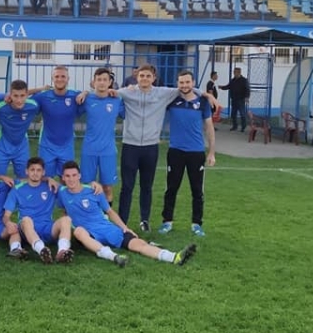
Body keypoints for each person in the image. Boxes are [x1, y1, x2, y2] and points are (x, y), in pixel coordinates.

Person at [79, 64, 218, 231]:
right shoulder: (126, 92)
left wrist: (206, 94)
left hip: (151, 147)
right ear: (136, 77)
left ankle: (144, 220)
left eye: (148, 76)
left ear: (154, 78)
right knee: (127, 187)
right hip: (130, 146)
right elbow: (104, 91)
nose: (144, 79)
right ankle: (122, 221)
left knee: (146, 186)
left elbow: (186, 88)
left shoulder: (163, 93)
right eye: (141, 76)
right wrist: (86, 92)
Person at [57, 161, 197, 268]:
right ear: (63, 177)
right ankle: (114, 257)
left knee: (138, 245)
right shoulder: (62, 192)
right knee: (79, 231)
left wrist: (125, 228)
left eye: (74, 175)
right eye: (67, 176)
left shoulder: (94, 191)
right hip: (89, 234)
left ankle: (174, 257)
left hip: (107, 229)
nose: (71, 179)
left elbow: (110, 211)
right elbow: (49, 186)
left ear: (79, 176)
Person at [160, 71, 216, 236]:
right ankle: (167, 222)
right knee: (171, 189)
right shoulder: (171, 100)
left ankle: (196, 224)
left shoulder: (203, 102)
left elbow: (209, 128)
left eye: (187, 82)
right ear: (177, 83)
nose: (184, 85)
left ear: (193, 83)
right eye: (181, 82)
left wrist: (211, 152)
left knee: (197, 191)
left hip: (196, 152)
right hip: (175, 151)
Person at [4, 157, 74, 264]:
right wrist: (8, 223)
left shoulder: (51, 186)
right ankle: (41, 250)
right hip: (27, 229)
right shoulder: (17, 189)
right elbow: (6, 215)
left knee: (66, 219)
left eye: (38, 170)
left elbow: (74, 190)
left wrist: (94, 184)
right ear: (26, 171)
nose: (35, 173)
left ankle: (62, 252)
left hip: (47, 228)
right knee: (26, 219)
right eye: (32, 170)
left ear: (43, 172)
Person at [79, 67, 125, 207]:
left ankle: (105, 216)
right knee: (88, 186)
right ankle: (89, 215)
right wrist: (85, 92)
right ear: (93, 82)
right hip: (89, 149)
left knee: (107, 187)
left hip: (108, 150)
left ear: (110, 82)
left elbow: (131, 109)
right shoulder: (87, 99)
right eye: (99, 79)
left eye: (105, 79)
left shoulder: (116, 100)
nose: (102, 82)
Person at [30, 65, 81, 177]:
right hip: (47, 146)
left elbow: (95, 96)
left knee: (67, 180)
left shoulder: (75, 96)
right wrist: (39, 89)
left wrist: (86, 92)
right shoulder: (43, 96)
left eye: (63, 76)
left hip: (67, 146)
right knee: (45, 179)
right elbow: (20, 96)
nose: (60, 79)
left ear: (68, 79)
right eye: (57, 76)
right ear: (52, 78)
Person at [0, 79, 40, 176]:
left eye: (22, 96)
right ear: (10, 95)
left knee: (24, 177)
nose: (19, 100)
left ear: (27, 95)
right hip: (3, 145)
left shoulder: (33, 106)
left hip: (21, 146)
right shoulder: (0, 108)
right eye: (15, 96)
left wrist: (42, 88)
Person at [220, 67, 250, 132]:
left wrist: (247, 97)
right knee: (233, 114)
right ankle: (235, 126)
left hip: (241, 100)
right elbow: (228, 86)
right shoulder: (233, 80)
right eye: (234, 72)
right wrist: (222, 87)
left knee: (242, 114)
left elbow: (247, 89)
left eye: (235, 72)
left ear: (239, 73)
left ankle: (243, 127)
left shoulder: (244, 80)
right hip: (234, 99)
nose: (234, 73)